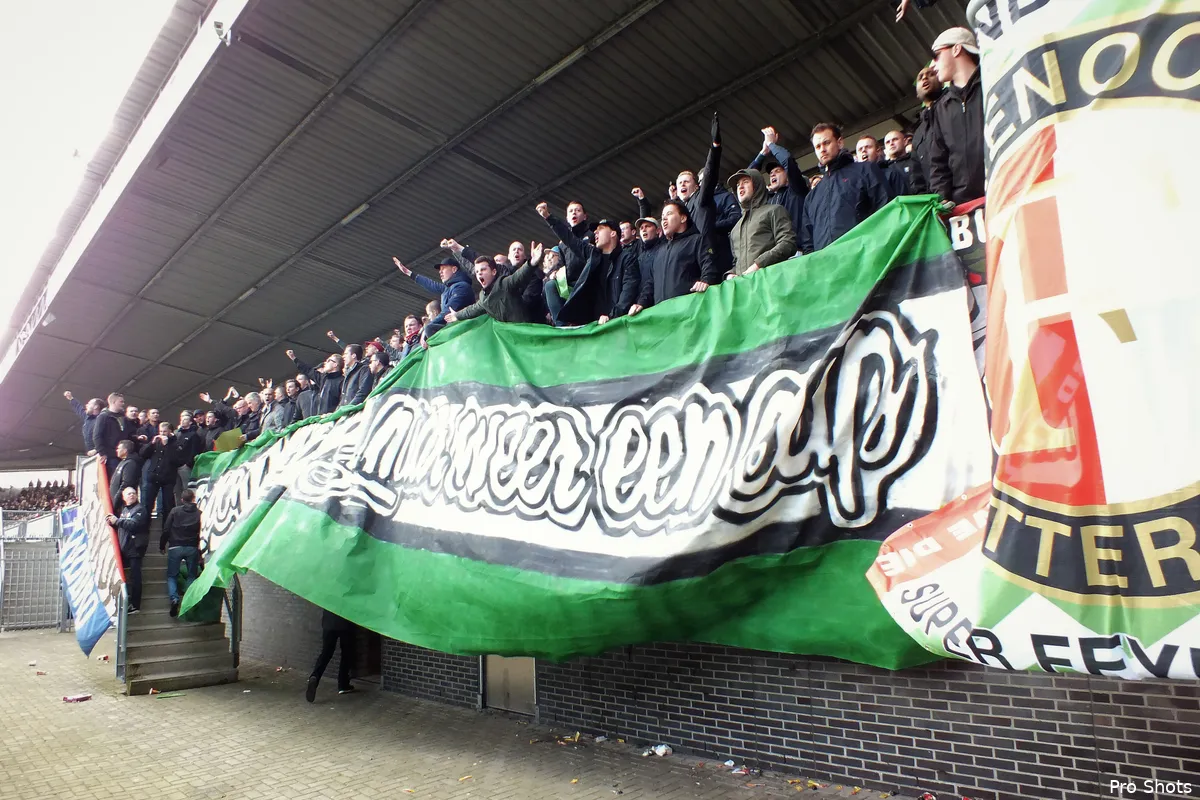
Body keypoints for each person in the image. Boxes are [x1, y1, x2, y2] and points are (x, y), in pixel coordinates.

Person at [538, 209, 640, 326]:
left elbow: (628, 292)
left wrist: (612, 316)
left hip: (615, 323)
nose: (596, 233)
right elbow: (570, 240)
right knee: (550, 285)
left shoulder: (627, 259)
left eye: (600, 229)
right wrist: (548, 217)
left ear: (613, 233)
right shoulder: (593, 255)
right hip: (591, 324)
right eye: (595, 231)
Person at [799, 123, 890, 254]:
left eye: (826, 143)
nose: (822, 149)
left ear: (840, 143)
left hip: (866, 257)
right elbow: (808, 243)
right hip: (827, 268)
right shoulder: (811, 197)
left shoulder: (865, 170)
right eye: (818, 146)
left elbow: (886, 209)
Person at [928, 27, 985, 204]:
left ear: (957, 48)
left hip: (1004, 192)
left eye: (936, 55)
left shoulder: (993, 84)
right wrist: (942, 199)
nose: (932, 65)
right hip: (963, 208)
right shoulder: (939, 108)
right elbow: (938, 162)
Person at [638, 199, 719, 307]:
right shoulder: (659, 251)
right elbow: (651, 283)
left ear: (683, 218)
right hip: (663, 317)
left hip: (690, 312)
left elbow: (709, 265)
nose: (664, 219)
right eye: (662, 216)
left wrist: (706, 281)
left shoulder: (697, 240)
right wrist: (641, 303)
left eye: (669, 214)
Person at [725, 169, 797, 277]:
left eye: (745, 181)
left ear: (757, 184)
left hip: (771, 282)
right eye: (738, 184)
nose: (740, 186)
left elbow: (788, 243)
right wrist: (731, 274)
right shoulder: (735, 229)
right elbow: (737, 262)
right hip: (746, 289)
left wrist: (759, 264)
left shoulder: (774, 210)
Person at [444, 253, 543, 325]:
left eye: (483, 269)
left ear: (494, 272)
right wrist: (457, 315)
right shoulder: (483, 297)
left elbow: (519, 275)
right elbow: (472, 310)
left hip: (524, 331)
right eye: (477, 271)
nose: (479, 273)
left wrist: (532, 262)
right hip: (509, 339)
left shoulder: (504, 283)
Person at [392, 255, 475, 340]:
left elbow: (448, 310)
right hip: (457, 327)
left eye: (443, 269)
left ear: (454, 269)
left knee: (430, 329)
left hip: (465, 328)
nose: (440, 272)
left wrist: (429, 326)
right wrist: (409, 273)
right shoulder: (448, 289)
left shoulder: (461, 287)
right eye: (440, 270)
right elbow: (430, 284)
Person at [745, 126, 808, 237]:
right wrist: (763, 152)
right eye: (770, 173)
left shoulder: (796, 189)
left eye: (778, 171)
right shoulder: (768, 199)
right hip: (775, 252)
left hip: (797, 250)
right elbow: (747, 178)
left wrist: (771, 144)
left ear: (788, 176)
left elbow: (788, 160)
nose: (772, 174)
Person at [106, 486, 148, 613]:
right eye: (129, 494)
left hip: (135, 548)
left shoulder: (140, 509)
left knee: (135, 577)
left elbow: (134, 524)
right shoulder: (124, 510)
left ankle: (135, 605)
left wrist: (117, 521)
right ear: (124, 497)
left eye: (134, 493)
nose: (132, 495)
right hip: (125, 548)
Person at [160, 489, 202, 617]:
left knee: (172, 575)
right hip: (192, 547)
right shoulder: (200, 513)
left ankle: (174, 599)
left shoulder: (174, 511)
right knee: (191, 576)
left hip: (175, 547)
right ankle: (188, 601)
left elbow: (166, 529)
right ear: (193, 498)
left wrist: (162, 545)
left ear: (182, 500)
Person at [306, 608, 357, 702]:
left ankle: (315, 677)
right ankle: (343, 685)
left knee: (326, 653)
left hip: (328, 623)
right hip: (345, 623)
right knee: (346, 654)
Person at [911, 66, 944, 183]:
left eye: (930, 74)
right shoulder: (918, 136)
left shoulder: (954, 107)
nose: (925, 77)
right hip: (937, 199)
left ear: (941, 81)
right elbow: (917, 178)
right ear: (917, 94)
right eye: (920, 78)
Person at [139, 422, 177, 520]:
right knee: (147, 504)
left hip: (167, 478)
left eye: (164, 431)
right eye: (160, 431)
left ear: (170, 432)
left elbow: (176, 459)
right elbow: (143, 453)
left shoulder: (175, 442)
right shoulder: (156, 442)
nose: (162, 434)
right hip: (153, 476)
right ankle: (144, 528)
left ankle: (166, 530)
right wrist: (151, 443)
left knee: (167, 505)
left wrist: (166, 445)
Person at [856, 134, 909, 199]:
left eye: (868, 147)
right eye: (860, 149)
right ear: (856, 156)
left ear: (878, 151)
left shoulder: (891, 174)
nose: (863, 150)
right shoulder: (853, 181)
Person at [92, 393, 130, 480]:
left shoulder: (123, 417)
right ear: (113, 402)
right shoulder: (103, 417)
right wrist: (102, 453)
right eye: (121, 401)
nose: (123, 403)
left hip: (124, 455)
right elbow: (97, 436)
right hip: (111, 456)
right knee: (114, 480)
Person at [884, 128, 928, 194]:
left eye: (895, 139)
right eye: (888, 142)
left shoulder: (916, 159)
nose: (891, 143)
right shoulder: (884, 169)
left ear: (905, 141)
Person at [173, 411, 203, 503]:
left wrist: (188, 464)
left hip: (185, 466)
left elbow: (194, 451)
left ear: (190, 422)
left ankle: (190, 507)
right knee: (177, 490)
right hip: (175, 466)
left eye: (185, 419)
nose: (182, 421)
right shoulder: (177, 434)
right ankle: (179, 508)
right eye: (181, 419)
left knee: (187, 489)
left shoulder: (193, 435)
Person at [109, 440, 142, 513]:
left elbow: (126, 484)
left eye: (119, 448)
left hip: (123, 505)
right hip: (117, 504)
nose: (117, 450)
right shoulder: (123, 462)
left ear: (125, 450)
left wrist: (116, 501)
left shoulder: (131, 464)